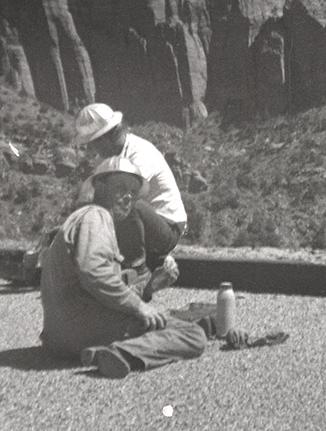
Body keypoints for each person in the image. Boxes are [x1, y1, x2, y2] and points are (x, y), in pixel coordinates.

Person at [40, 155, 206, 377]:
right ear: (100, 187)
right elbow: (94, 272)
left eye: (133, 192)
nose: (128, 197)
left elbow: (95, 288)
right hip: (82, 331)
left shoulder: (88, 220)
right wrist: (139, 306)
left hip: (59, 336)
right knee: (192, 334)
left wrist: (149, 288)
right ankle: (120, 353)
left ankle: (105, 351)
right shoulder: (96, 216)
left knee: (163, 319)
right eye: (121, 188)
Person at [72, 103, 187, 272]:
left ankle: (136, 269)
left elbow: (121, 198)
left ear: (104, 138)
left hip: (166, 230)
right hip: (137, 229)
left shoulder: (140, 153)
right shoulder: (106, 160)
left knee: (125, 200)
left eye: (92, 142)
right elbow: (90, 197)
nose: (91, 148)